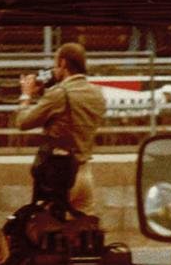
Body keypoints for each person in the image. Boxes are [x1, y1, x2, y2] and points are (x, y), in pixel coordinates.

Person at [15, 42, 106, 215]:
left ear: (63, 63)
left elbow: (23, 122)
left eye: (56, 63)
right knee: (84, 232)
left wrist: (26, 95)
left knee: (49, 233)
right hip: (85, 171)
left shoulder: (59, 93)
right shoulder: (97, 93)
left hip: (60, 174)